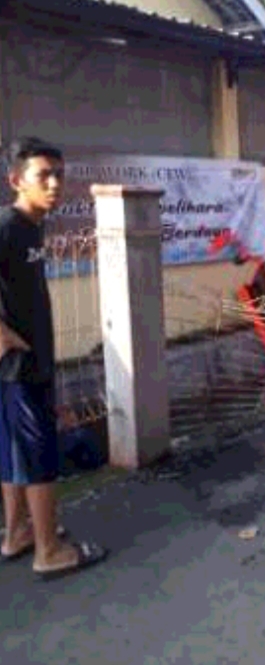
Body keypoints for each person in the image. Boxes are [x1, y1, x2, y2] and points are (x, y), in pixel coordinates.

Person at [0, 137, 107, 578]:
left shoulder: (33, 226)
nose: (55, 183)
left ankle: (16, 534)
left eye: (59, 174)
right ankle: (49, 552)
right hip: (19, 365)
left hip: (26, 361)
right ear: (15, 181)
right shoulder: (8, 225)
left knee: (13, 452)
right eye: (43, 175)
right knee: (39, 453)